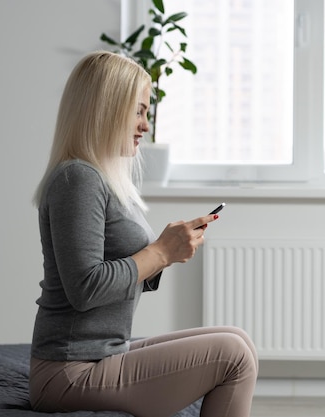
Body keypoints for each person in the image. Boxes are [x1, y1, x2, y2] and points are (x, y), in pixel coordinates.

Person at [29, 51, 258, 417]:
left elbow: (121, 268)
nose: (145, 125)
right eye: (138, 111)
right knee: (232, 355)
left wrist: (169, 250)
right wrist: (161, 252)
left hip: (100, 353)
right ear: (106, 109)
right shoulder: (77, 179)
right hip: (69, 371)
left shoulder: (99, 178)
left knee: (237, 339)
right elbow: (84, 288)